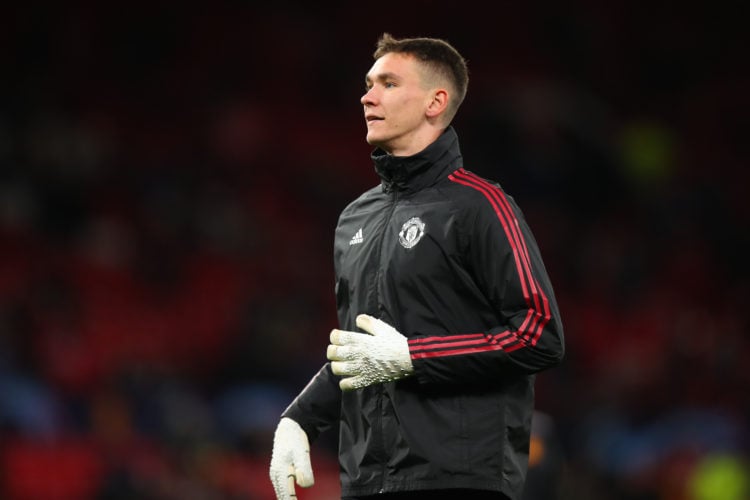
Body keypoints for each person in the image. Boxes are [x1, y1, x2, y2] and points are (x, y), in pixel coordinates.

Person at [269, 33, 565, 500]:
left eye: (388, 83)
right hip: (368, 482)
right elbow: (365, 353)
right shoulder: (354, 219)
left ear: (435, 101)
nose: (367, 96)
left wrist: (414, 358)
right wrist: (300, 419)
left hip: (459, 479)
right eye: (368, 83)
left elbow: (539, 334)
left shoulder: (481, 206)